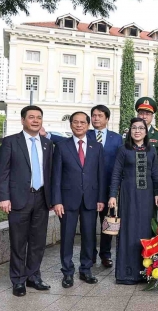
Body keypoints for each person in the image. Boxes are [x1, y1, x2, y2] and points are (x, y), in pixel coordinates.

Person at [0, 105, 53, 297]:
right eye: (31, 117)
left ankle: (33, 276)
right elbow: (3, 172)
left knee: (38, 241)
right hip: (19, 198)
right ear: (23, 120)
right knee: (18, 241)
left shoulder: (47, 144)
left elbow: (50, 172)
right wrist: (3, 197)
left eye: (39, 117)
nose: (35, 120)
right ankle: (18, 280)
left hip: (42, 198)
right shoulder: (10, 142)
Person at [52, 111, 105, 288]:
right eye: (75, 122)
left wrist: (100, 198)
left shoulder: (96, 147)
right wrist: (57, 201)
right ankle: (67, 272)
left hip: (90, 199)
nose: (79, 125)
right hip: (67, 200)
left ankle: (86, 269)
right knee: (67, 237)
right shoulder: (61, 146)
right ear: (71, 125)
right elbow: (56, 176)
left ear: (88, 125)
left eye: (83, 122)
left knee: (89, 236)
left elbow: (100, 175)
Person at [108, 117, 158, 284]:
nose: (137, 131)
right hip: (128, 195)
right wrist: (112, 196)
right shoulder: (123, 150)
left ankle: (146, 272)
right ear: (130, 132)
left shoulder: (151, 151)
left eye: (140, 128)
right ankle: (127, 274)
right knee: (128, 231)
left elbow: (156, 174)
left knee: (146, 230)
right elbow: (116, 174)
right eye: (134, 128)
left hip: (147, 197)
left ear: (146, 132)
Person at [88, 105, 123, 268]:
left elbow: (121, 162)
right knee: (88, 223)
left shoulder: (116, 138)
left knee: (107, 222)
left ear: (107, 119)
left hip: (109, 188)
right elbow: (64, 140)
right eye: (94, 115)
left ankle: (106, 254)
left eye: (100, 116)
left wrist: (116, 191)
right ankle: (90, 254)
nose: (96, 118)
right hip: (88, 187)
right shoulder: (85, 134)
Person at [135, 97, 158, 176]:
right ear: (137, 115)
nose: (144, 116)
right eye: (142, 113)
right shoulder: (130, 133)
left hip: (152, 177)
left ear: (152, 116)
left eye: (147, 114)